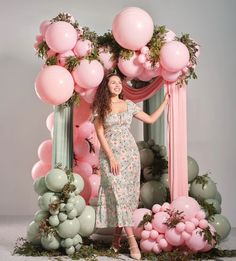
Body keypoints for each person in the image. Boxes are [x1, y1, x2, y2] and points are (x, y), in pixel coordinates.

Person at [91, 73, 169, 260]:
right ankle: (133, 244)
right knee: (117, 196)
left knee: (125, 198)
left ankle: (116, 240)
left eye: (119, 82)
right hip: (111, 156)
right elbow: (100, 134)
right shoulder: (100, 107)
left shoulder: (129, 105)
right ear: (106, 86)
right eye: (113, 82)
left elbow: (150, 119)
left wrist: (165, 102)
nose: (117, 85)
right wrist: (111, 157)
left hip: (130, 156)